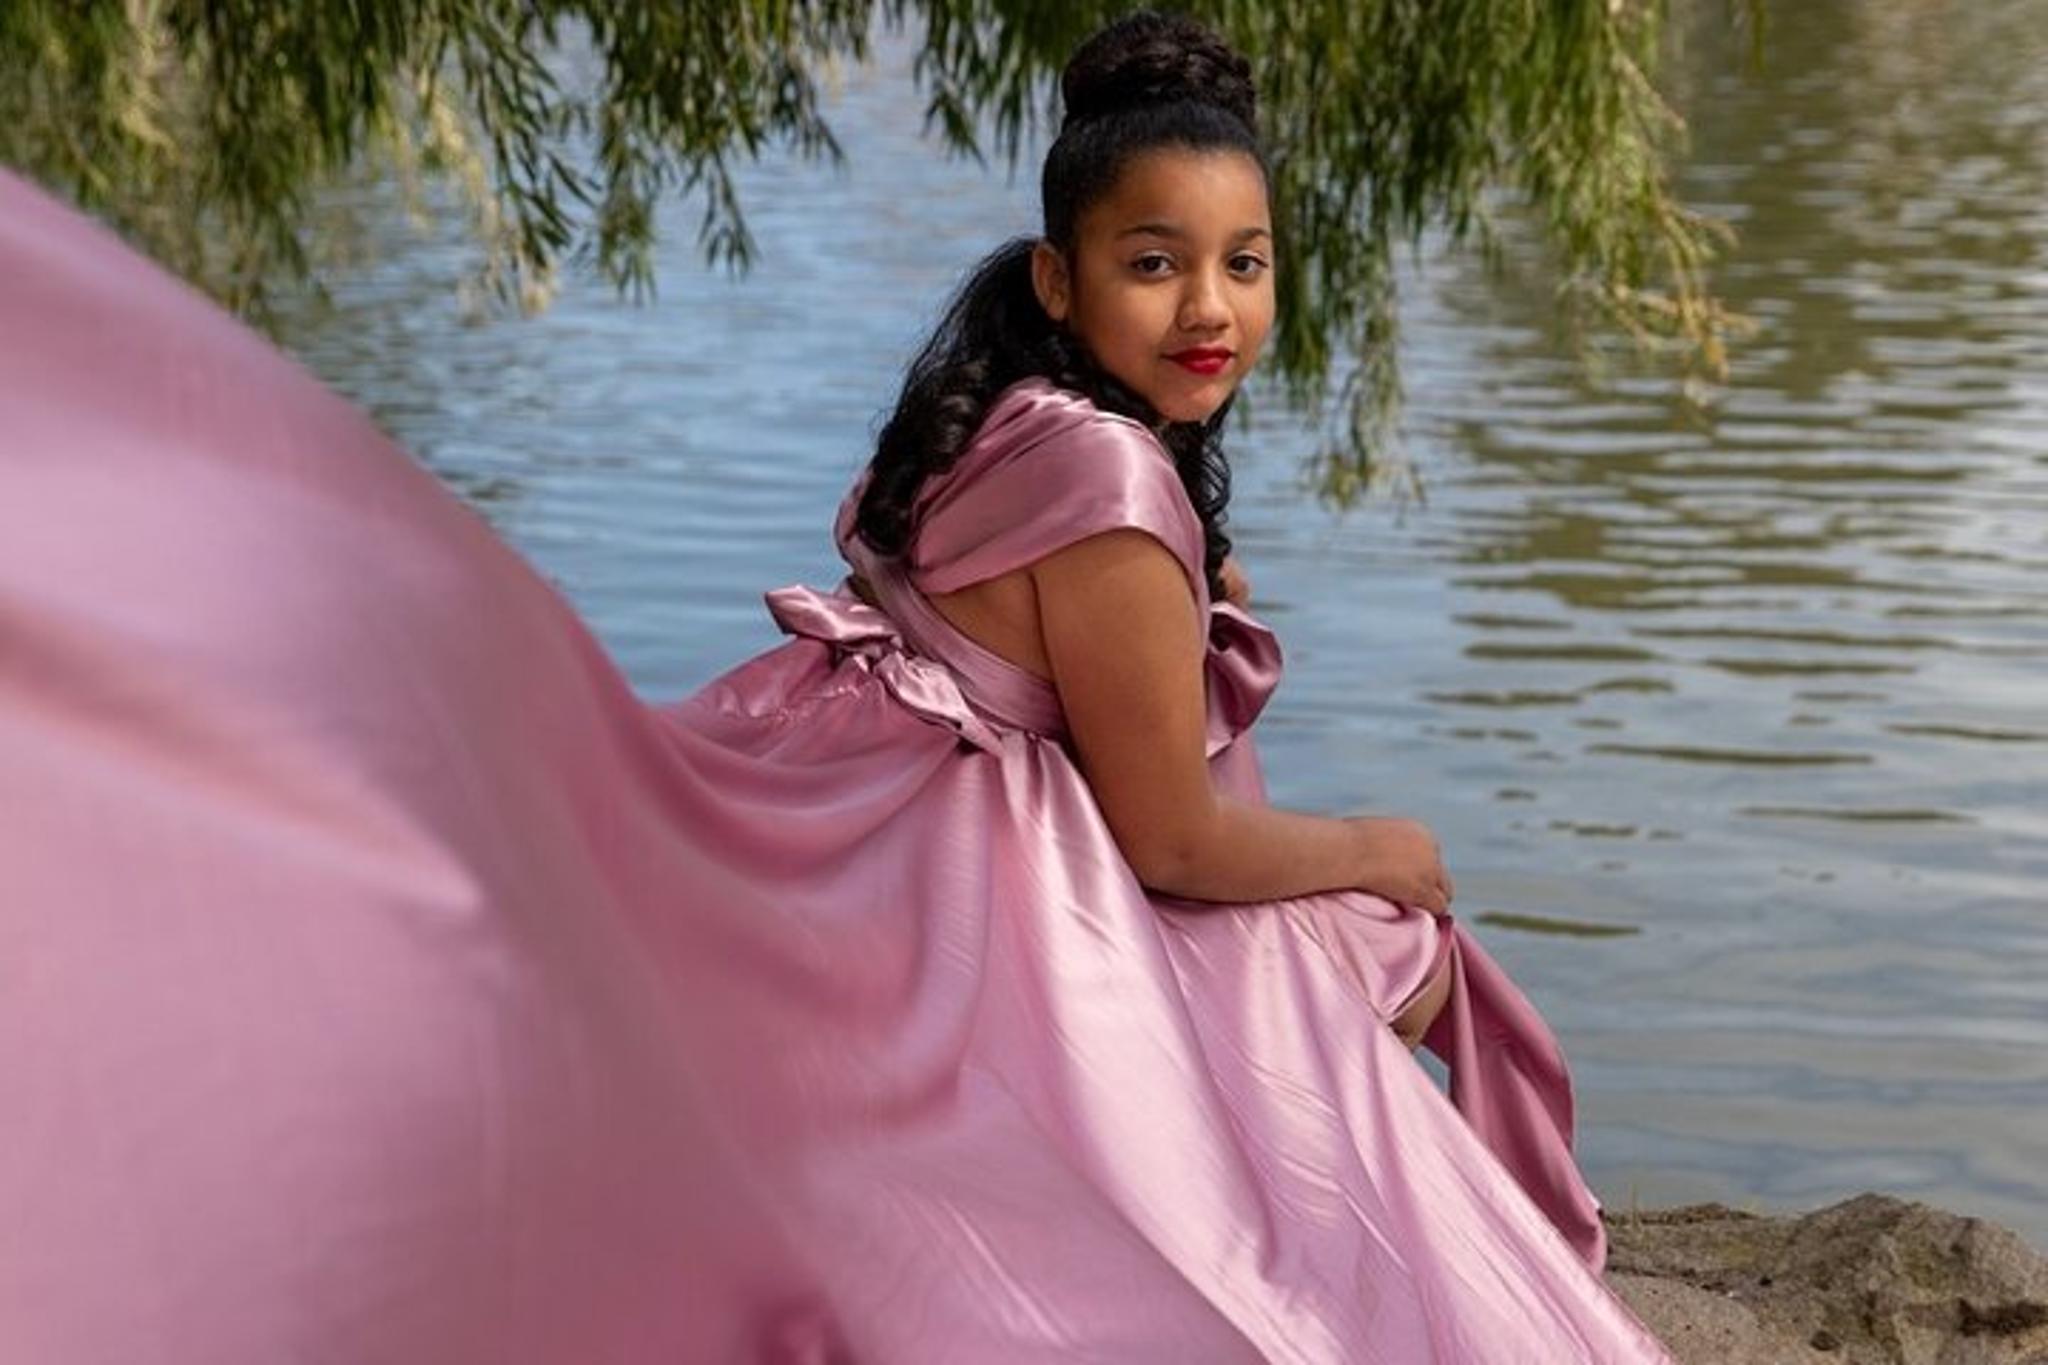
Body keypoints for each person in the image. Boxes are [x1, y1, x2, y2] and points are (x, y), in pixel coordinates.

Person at [0, 10, 1676, 1364]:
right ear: (1060, 279)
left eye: (1247, 263)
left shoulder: (1016, 424)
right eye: (1156, 262)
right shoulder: (1110, 485)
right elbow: (1168, 839)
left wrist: (1185, 599)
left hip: (860, 777)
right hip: (985, 875)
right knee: (1384, 930)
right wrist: (1383, 840)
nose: (1213, 307)